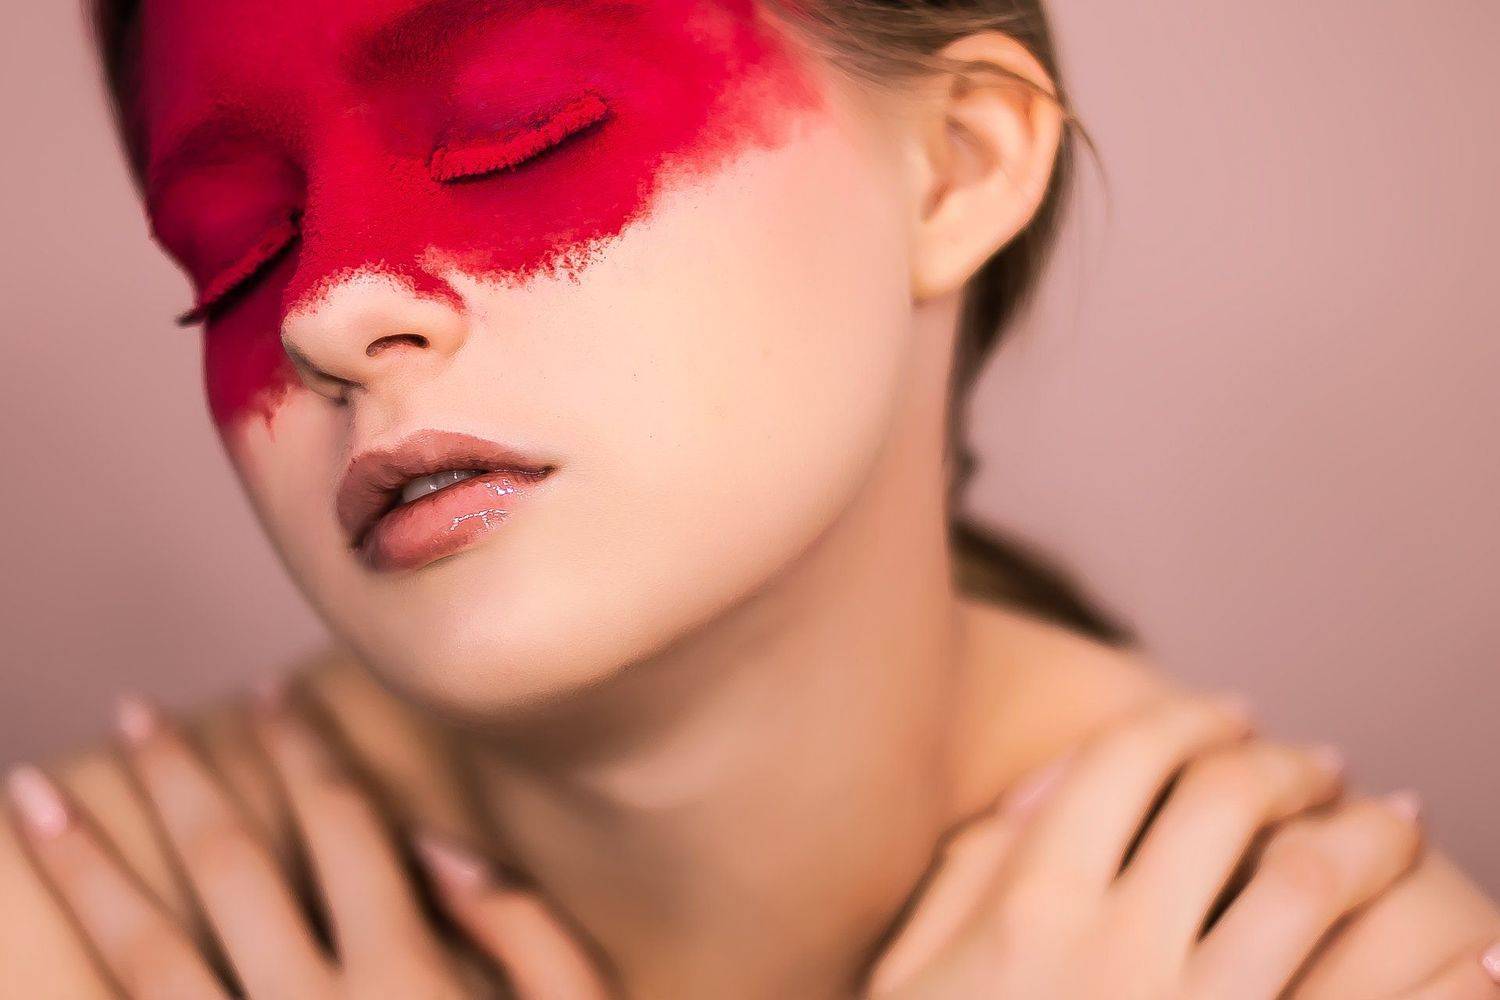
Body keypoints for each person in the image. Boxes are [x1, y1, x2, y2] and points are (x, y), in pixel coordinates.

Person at [2, 0, 1496, 996]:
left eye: (521, 132)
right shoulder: (73, 935)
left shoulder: (1331, 963)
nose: (326, 310)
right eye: (239, 249)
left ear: (956, 166)